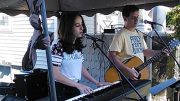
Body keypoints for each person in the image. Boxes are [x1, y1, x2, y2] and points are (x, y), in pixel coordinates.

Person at [51, 12, 108, 101]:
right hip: (62, 89)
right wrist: (78, 85)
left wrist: (96, 82)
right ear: (68, 28)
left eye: (82, 25)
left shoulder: (76, 46)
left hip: (74, 86)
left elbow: (80, 67)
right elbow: (55, 74)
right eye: (77, 25)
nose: (82, 28)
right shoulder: (58, 46)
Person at [108, 5, 164, 81]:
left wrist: (160, 52)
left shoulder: (139, 33)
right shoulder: (120, 35)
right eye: (133, 17)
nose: (136, 20)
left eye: (137, 17)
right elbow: (111, 56)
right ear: (125, 18)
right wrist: (127, 70)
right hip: (124, 76)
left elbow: (144, 51)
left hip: (138, 73)